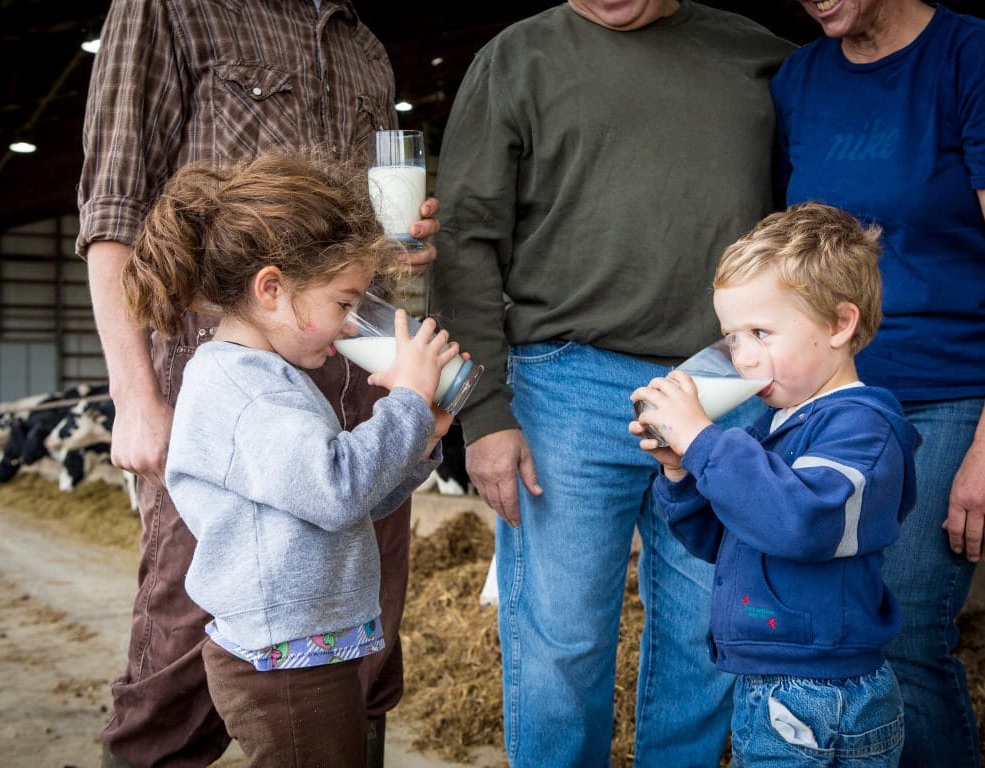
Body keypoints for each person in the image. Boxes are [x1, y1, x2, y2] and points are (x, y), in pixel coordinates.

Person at [428, 1, 795, 765]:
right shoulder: (516, 58)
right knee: (561, 643)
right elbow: (465, 241)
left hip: (722, 386)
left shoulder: (762, 57)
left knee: (706, 641)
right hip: (563, 382)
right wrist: (484, 412)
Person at [75, 2, 440, 765]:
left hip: (350, 370)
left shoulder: (365, 44)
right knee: (183, 643)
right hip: (220, 384)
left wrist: (388, 248)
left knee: (368, 634)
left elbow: (359, 234)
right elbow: (113, 207)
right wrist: (135, 394)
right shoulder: (167, 11)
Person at [771, 2, 985, 766]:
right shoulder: (800, 78)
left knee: (902, 634)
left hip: (951, 391)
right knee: (835, 627)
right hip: (833, 399)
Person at [119, 152, 454, 767]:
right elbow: (336, 488)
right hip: (285, 660)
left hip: (307, 645)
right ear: (271, 289)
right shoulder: (244, 388)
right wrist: (404, 401)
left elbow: (351, 503)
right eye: (343, 302)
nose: (350, 325)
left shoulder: (267, 376)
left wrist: (419, 442)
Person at [632, 201, 920, 767]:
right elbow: (728, 537)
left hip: (814, 693)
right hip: (780, 684)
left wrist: (706, 441)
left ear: (841, 324)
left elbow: (802, 522)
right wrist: (680, 469)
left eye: (761, 332)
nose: (742, 358)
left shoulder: (862, 427)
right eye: (731, 337)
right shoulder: (778, 425)